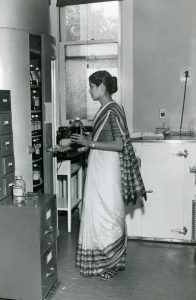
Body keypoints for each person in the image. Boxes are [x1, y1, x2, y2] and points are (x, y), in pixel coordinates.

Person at [69, 70, 147, 280]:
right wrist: (85, 145)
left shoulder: (113, 110)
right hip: (99, 165)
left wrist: (90, 143)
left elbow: (120, 145)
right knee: (97, 212)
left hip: (108, 169)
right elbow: (102, 139)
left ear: (102, 87)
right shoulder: (104, 110)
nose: (90, 90)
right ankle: (102, 261)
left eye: (92, 87)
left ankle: (110, 262)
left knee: (109, 212)